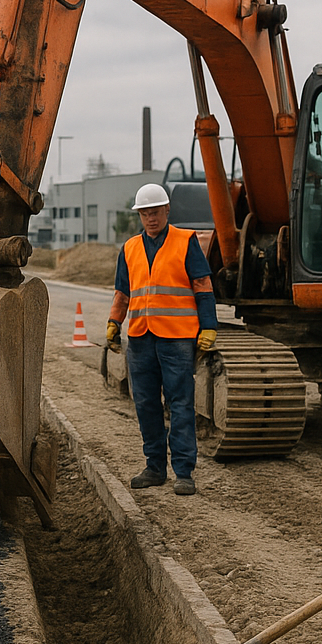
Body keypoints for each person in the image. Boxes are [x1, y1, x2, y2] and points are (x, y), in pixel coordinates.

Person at [105, 183, 218, 496]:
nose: (150, 217)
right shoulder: (129, 248)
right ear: (139, 215)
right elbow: (122, 292)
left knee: (180, 403)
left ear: (167, 210)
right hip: (140, 337)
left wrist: (209, 326)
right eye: (145, 213)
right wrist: (114, 322)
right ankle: (155, 467)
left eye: (155, 211)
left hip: (177, 338)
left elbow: (202, 286)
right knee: (145, 404)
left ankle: (184, 472)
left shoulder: (186, 241)